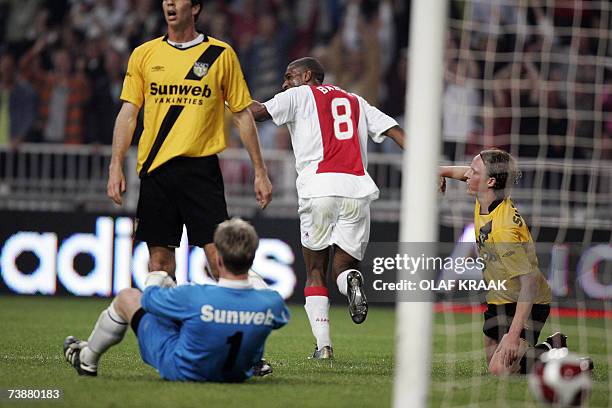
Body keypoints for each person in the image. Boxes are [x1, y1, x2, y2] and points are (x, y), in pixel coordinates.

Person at [250, 57, 405, 359]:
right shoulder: (355, 100)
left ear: (306, 76)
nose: (284, 83)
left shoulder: (298, 95)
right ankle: (352, 283)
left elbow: (256, 113)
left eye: (289, 76)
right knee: (344, 268)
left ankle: (324, 346)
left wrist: (226, 93)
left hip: (318, 189)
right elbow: (394, 129)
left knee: (314, 270)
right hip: (358, 191)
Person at [106, 0, 272, 280]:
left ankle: (227, 322)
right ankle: (164, 324)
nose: (169, 3)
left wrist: (260, 171)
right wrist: (115, 165)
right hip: (156, 169)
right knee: (159, 263)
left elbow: (242, 115)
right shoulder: (144, 54)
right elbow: (128, 114)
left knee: (219, 258)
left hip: (201, 170)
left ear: (195, 8)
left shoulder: (219, 54)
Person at [63, 218, 290, 381]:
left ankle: (87, 358)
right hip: (238, 373)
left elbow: (149, 299)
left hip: (182, 369)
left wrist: (159, 276)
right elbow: (268, 305)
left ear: (218, 260)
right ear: (251, 262)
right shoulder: (272, 303)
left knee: (127, 297)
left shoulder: (193, 295)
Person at [439, 149, 591, 374]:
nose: (467, 175)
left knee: (499, 369)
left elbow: (528, 284)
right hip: (499, 296)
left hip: (528, 300)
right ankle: (548, 348)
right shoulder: (488, 195)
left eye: (473, 171)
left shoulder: (505, 229)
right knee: (497, 359)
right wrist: (439, 171)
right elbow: (464, 173)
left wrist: (512, 335)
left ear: (490, 181)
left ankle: (558, 354)